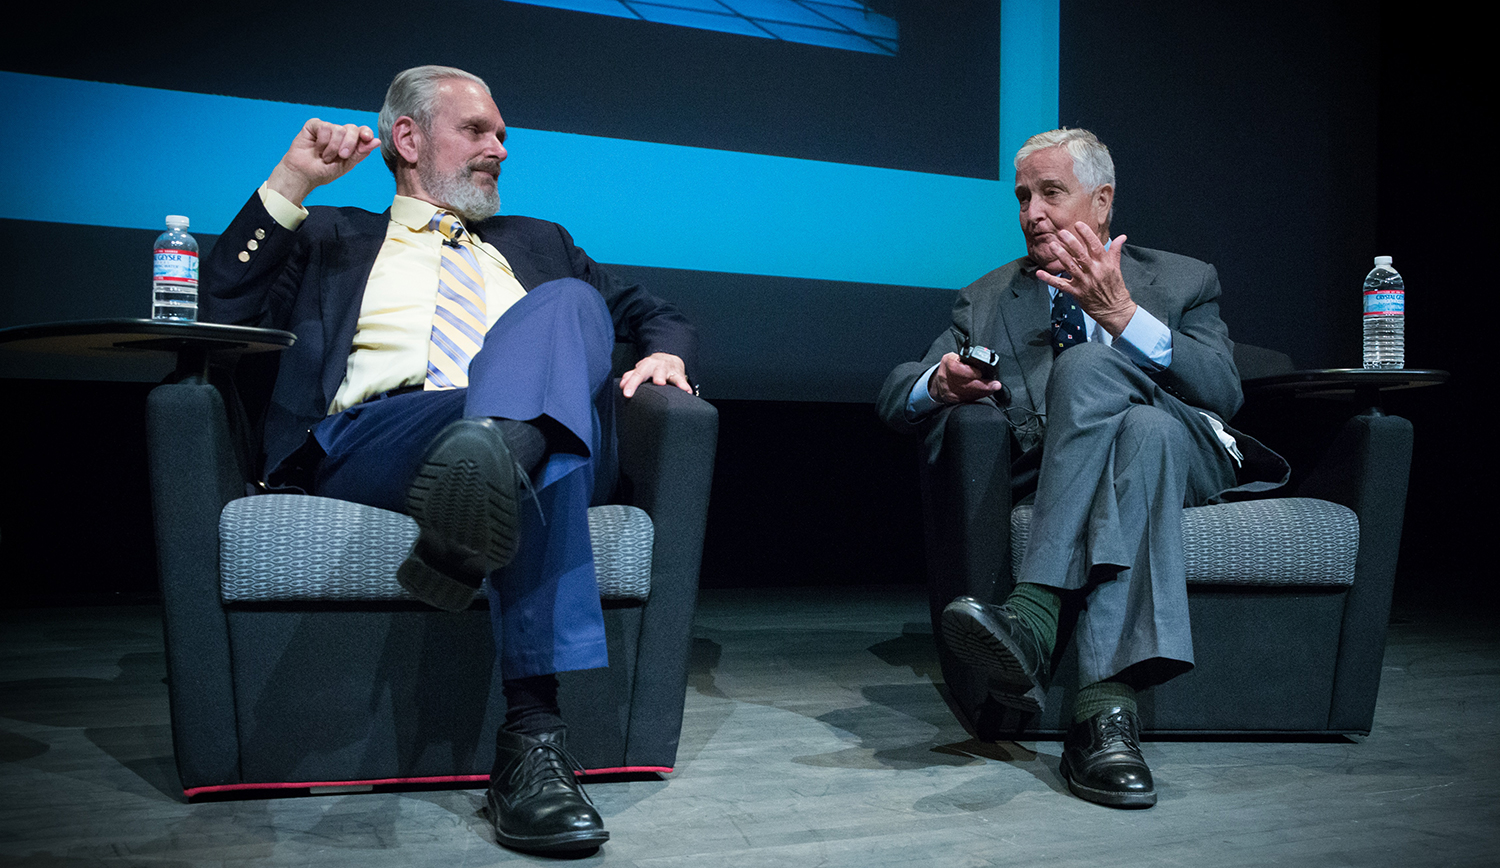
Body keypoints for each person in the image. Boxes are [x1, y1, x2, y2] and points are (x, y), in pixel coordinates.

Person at [201, 65, 697, 854]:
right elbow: (213, 308)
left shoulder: (541, 241)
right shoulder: (332, 235)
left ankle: (495, 461)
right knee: (541, 442)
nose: (499, 148)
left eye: (502, 135)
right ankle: (532, 746)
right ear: (407, 138)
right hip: (378, 435)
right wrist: (290, 181)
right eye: (478, 131)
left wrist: (665, 355)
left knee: (564, 318)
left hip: (525, 422)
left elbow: (654, 313)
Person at [877, 128, 1285, 808]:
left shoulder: (1183, 278)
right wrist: (940, 385)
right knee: (1142, 433)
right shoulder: (986, 300)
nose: (1031, 212)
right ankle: (1105, 719)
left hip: (1196, 451)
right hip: (1119, 458)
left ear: (1101, 203)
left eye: (1050, 193)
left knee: (1101, 369)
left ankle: (1034, 612)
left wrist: (1123, 315)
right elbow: (896, 391)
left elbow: (1222, 389)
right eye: (1022, 197)